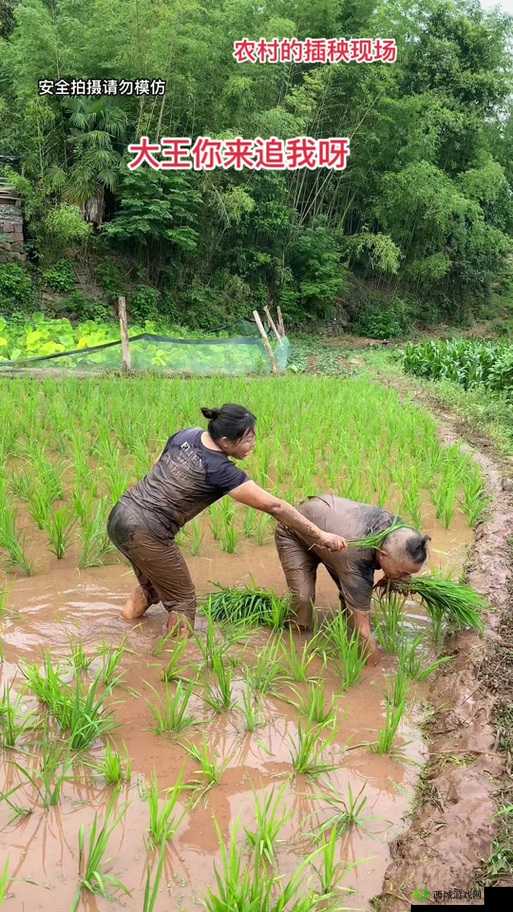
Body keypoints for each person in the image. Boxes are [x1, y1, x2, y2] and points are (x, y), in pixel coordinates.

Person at [107, 405, 347, 638]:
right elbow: (275, 506)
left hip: (121, 514)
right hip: (146, 531)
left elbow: (156, 468)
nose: (252, 444)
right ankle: (170, 665)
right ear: (224, 440)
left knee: (152, 589)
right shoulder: (221, 470)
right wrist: (321, 535)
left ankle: (121, 631)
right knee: (183, 602)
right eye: (247, 439)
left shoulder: (186, 435)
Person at [275, 494, 430, 658]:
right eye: (403, 573)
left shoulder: (401, 533)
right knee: (303, 598)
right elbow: (363, 629)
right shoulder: (357, 556)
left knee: (352, 598)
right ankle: (297, 644)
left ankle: (347, 636)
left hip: (335, 538)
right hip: (295, 531)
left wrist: (395, 576)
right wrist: (375, 666)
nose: (406, 579)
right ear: (383, 555)